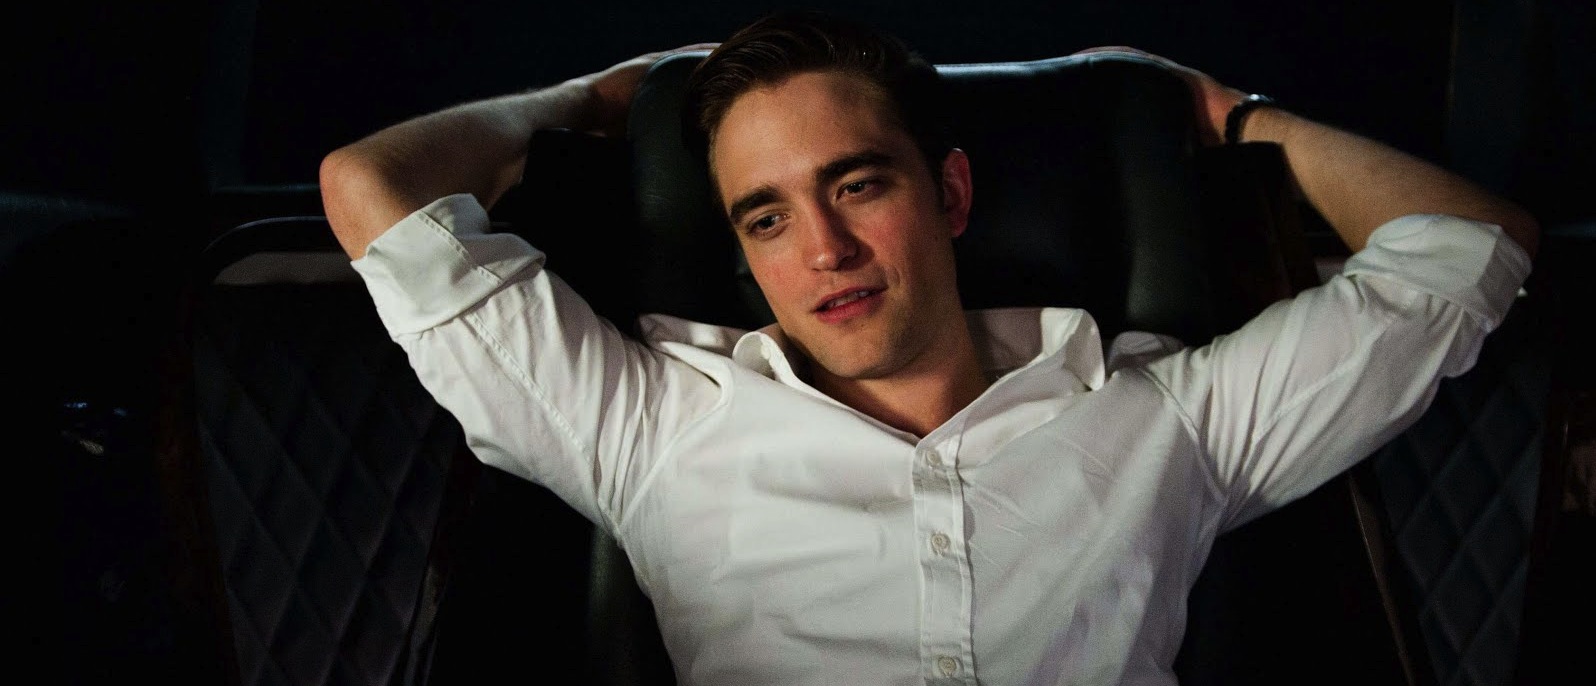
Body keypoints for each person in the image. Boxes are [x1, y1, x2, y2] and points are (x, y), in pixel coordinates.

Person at [320, 11, 1538, 685]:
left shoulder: (1170, 415)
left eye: (858, 184)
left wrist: (1227, 111)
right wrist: (591, 100)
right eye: (767, 216)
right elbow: (370, 189)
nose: (825, 249)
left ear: (950, 194)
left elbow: (1472, 244)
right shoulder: (649, 424)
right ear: (742, 254)